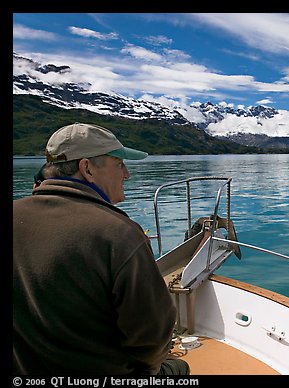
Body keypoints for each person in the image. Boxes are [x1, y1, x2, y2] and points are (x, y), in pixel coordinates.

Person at [13, 122, 189, 375]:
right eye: (119, 164)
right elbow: (152, 336)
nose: (126, 174)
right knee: (179, 368)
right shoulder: (119, 234)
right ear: (87, 169)